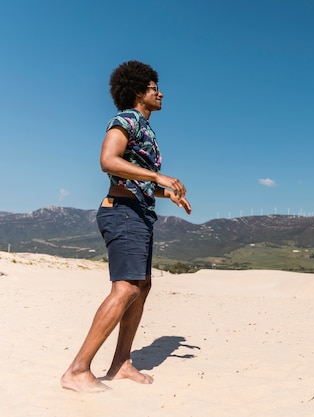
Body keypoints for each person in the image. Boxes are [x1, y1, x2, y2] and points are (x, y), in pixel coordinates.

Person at [61, 60, 192, 392]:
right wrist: (156, 175)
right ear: (137, 92)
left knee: (142, 287)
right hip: (122, 213)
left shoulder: (146, 128)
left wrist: (166, 193)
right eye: (153, 88)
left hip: (139, 213)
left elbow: (138, 179)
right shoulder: (126, 120)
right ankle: (77, 370)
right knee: (126, 288)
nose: (160, 92)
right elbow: (108, 160)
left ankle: (121, 363)